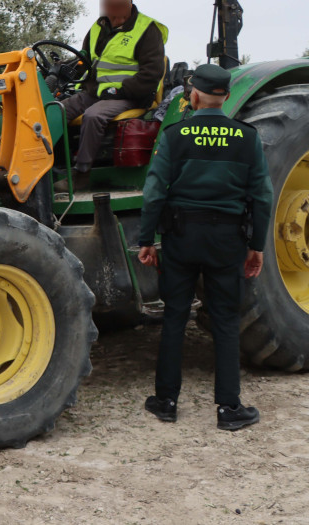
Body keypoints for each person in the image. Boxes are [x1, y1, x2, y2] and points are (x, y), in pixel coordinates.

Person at [136, 64, 274, 431]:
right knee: (227, 319)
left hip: (181, 237)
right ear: (227, 97)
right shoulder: (247, 137)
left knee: (175, 316)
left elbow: (154, 193)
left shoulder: (175, 134)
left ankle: (165, 401)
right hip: (228, 240)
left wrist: (147, 240)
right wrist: (256, 246)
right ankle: (229, 409)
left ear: (192, 95)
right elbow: (262, 195)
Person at [57, 0, 167, 191]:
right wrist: (59, 71)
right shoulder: (97, 28)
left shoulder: (147, 30)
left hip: (131, 96)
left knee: (93, 115)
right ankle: (49, 167)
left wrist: (119, 90)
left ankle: (81, 174)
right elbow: (83, 60)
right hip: (95, 92)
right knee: (54, 111)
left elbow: (151, 75)